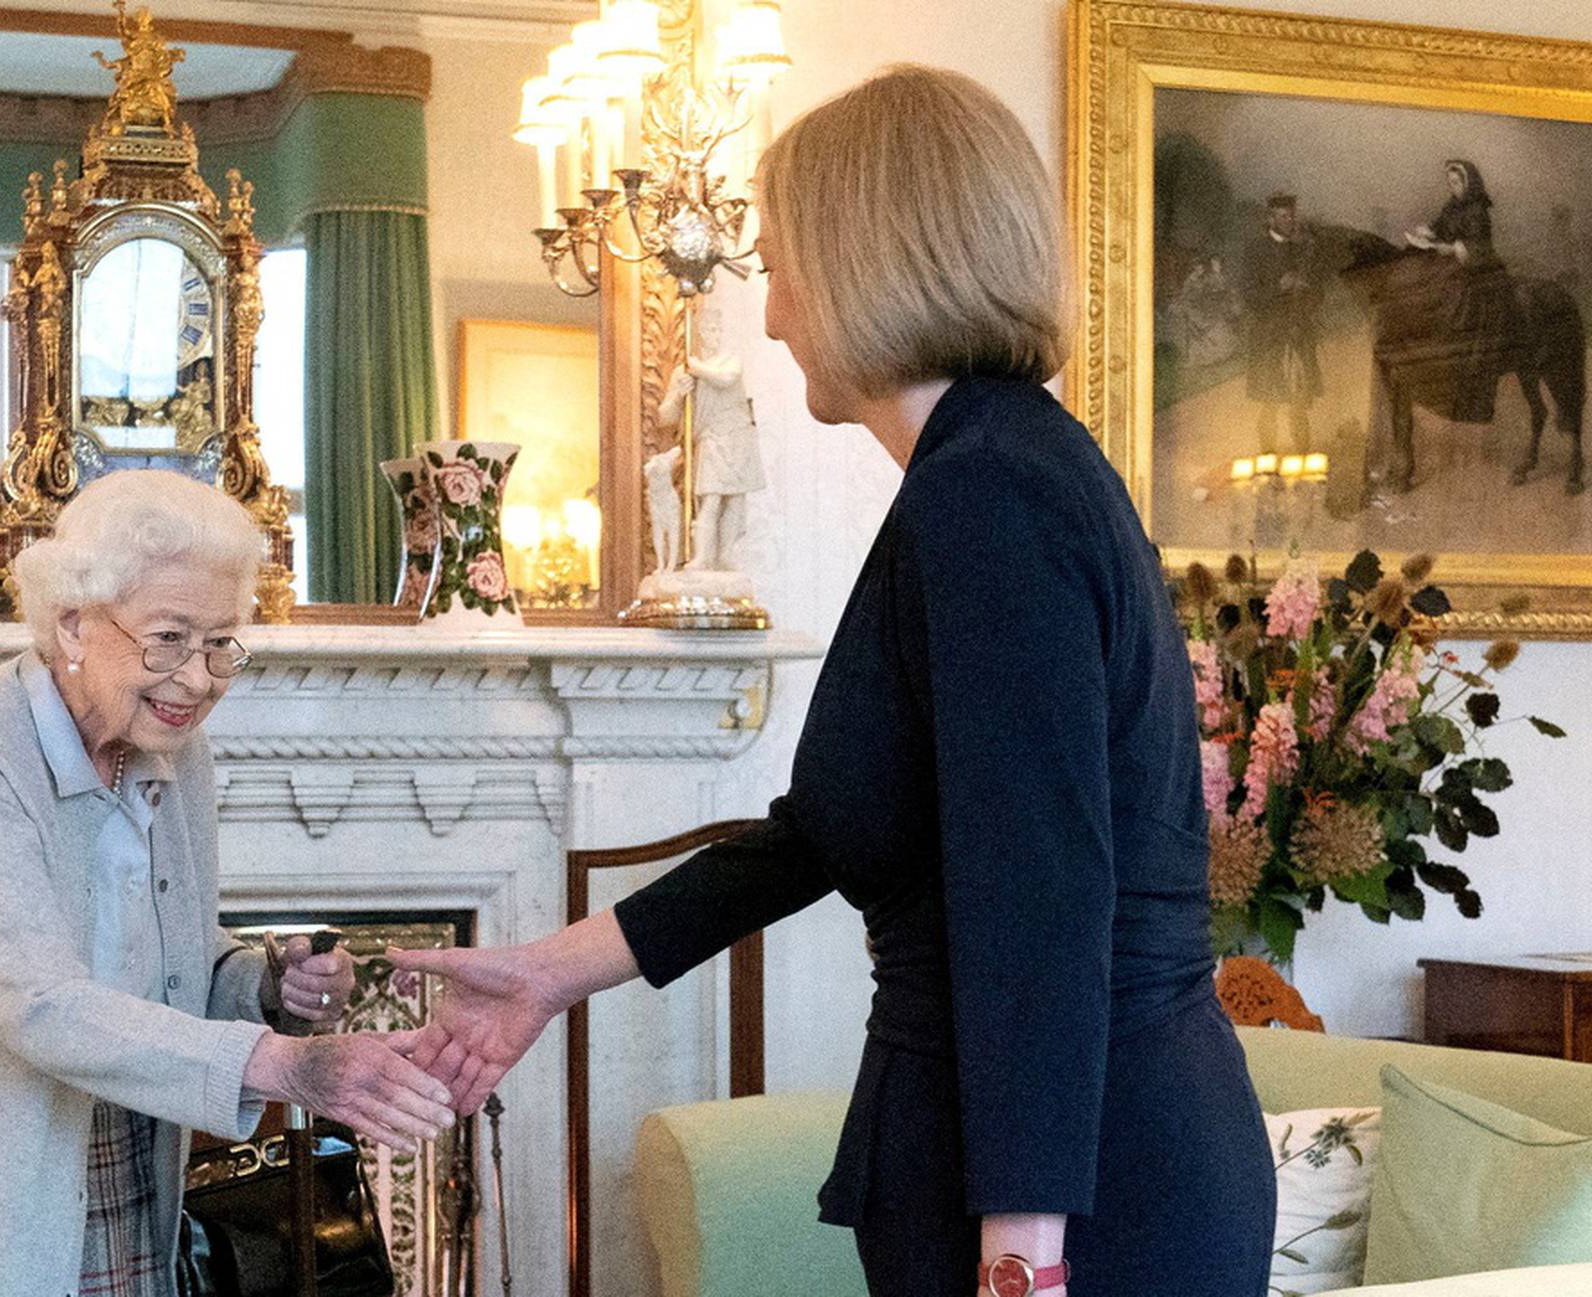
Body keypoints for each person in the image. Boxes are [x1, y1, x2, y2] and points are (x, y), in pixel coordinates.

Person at [395, 65, 1276, 1297]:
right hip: (1050, 1159)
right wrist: (554, 969)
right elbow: (831, 831)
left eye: (783, 264)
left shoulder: (989, 493)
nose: (771, 315)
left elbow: (1040, 887)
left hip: (1080, 1193)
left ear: (874, 257)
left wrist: (1021, 1259)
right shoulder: (989, 470)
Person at [0, 470, 455, 1297]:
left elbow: (170, 956)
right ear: (73, 622)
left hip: (124, 1166)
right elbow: (39, 1002)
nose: (197, 678)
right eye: (169, 638)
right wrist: (288, 1064)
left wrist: (265, 984)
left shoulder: (172, 750)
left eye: (221, 643)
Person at [656, 306, 767, 571]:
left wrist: (697, 369)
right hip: (712, 439)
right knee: (711, 498)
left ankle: (725, 554)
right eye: (707, 330)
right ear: (699, 334)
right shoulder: (684, 371)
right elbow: (665, 417)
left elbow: (727, 379)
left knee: (735, 500)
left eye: (717, 330)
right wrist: (679, 395)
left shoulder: (728, 362)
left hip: (737, 435)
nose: (713, 335)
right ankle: (704, 557)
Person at [1405, 158, 1514, 424]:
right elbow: (1439, 226)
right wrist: (1426, 234)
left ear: (1468, 183)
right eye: (1450, 183)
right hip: (1453, 266)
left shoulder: (1477, 209)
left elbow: (1479, 247)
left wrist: (1452, 249)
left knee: (1460, 303)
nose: (1453, 187)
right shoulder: (1452, 206)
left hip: (1478, 271)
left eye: (1457, 182)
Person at [1242, 194, 1324, 453]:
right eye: (1283, 216)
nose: (1290, 221)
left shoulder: (1302, 250)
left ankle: (1303, 456)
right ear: (1271, 219)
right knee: (1270, 402)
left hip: (1298, 334)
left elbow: (1318, 294)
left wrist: (1308, 290)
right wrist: (1280, 286)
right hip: (1268, 338)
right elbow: (1250, 296)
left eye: (1292, 215)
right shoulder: (1255, 251)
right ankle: (1268, 458)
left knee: (1299, 402)